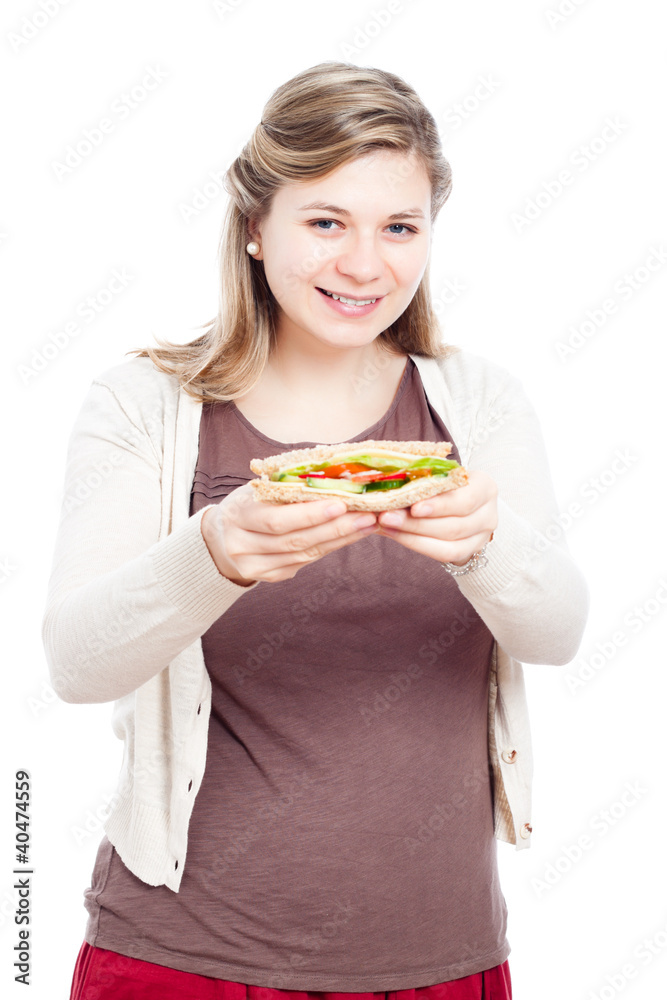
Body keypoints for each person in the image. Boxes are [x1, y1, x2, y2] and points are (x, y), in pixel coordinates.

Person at [42, 61, 589, 1000]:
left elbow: (560, 634)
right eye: (326, 222)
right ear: (256, 227)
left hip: (443, 962)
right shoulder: (144, 404)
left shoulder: (476, 401)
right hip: (181, 960)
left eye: (399, 228)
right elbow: (76, 666)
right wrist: (209, 556)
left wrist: (484, 545)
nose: (365, 265)